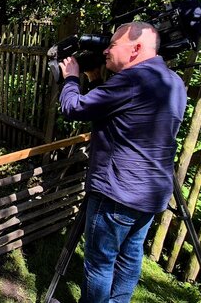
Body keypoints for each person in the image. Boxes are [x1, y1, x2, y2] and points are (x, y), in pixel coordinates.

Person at [58, 22, 186, 303]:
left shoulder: (131, 81)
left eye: (112, 45)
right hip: (151, 192)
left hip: (118, 191)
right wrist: (94, 80)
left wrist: (71, 78)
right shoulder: (172, 81)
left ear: (136, 48)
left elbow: (74, 108)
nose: (106, 50)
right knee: (130, 256)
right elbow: (117, 112)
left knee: (99, 263)